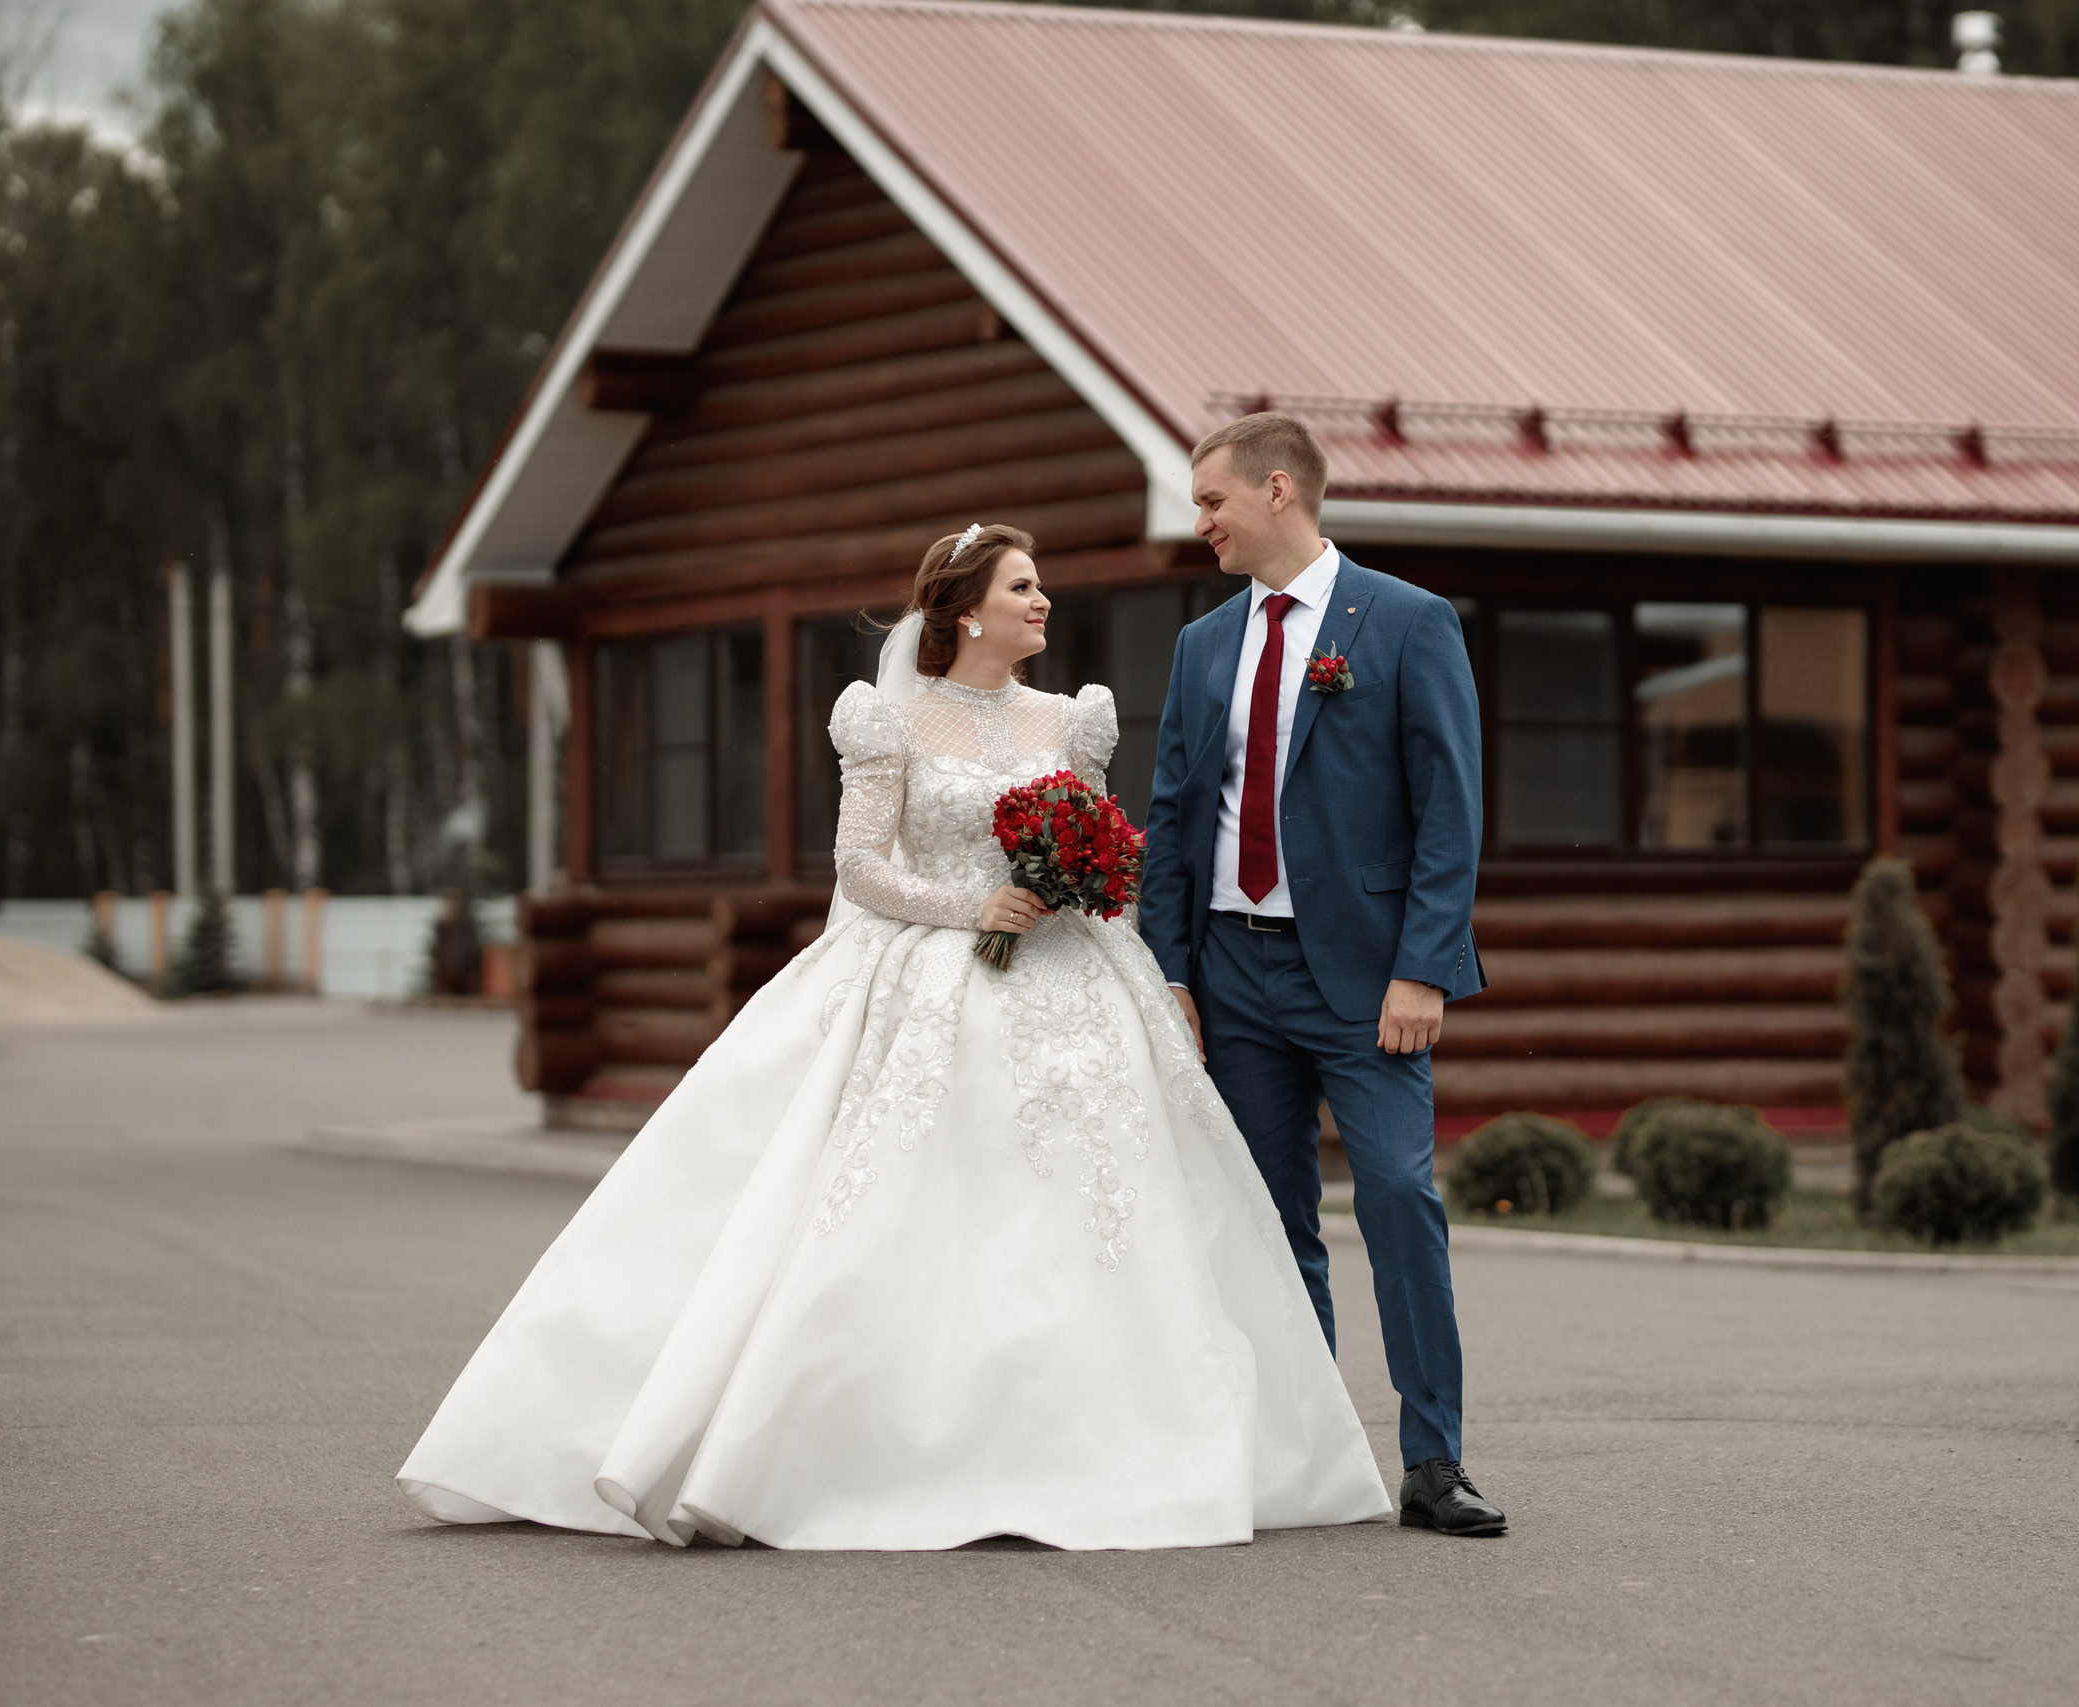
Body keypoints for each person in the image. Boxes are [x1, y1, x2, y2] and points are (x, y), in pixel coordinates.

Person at [396, 523, 1390, 1550]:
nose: (1043, 602)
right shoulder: (889, 721)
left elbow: (1105, 853)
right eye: (1022, 587)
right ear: (967, 611)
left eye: (1041, 585)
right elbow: (860, 866)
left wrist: (1084, 899)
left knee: (1109, 1203)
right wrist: (975, 911)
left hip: (1078, 979)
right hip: (928, 969)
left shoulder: (1074, 721)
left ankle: (1097, 1442)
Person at [1141, 413, 1505, 1538]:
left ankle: (1433, 1461)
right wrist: (1170, 973)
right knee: (1268, 1218)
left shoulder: (1404, 622)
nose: (1198, 523)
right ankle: (1302, 1451)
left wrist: (1424, 969)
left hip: (1365, 980)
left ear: (1279, 489)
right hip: (1231, 973)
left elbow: (1451, 808)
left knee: (1400, 1198)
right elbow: (1172, 811)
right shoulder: (1203, 646)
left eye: (1212, 502)